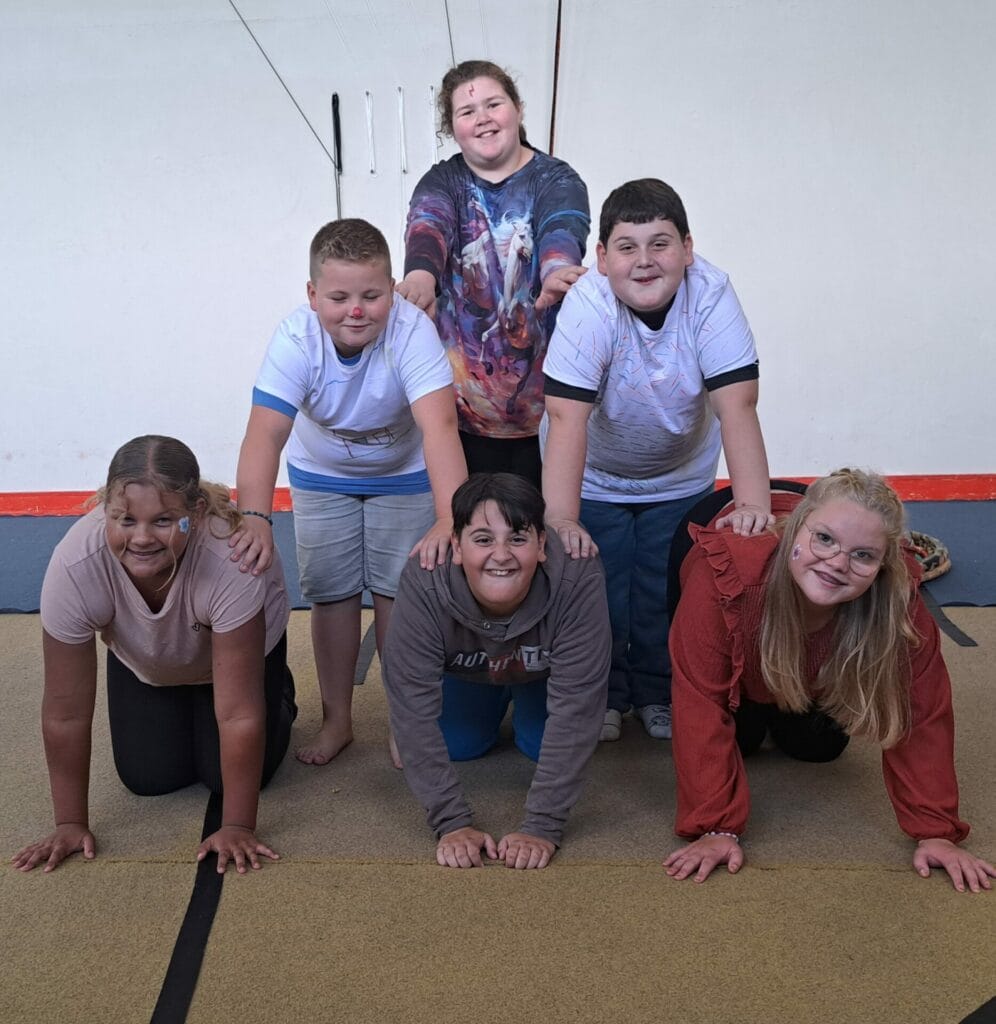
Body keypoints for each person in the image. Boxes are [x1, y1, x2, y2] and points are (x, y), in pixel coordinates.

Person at [664, 470, 995, 893]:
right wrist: (716, 828)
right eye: (824, 539)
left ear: (882, 566)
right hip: (717, 539)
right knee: (737, 737)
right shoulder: (726, 576)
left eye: (862, 556)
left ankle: (785, 693)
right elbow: (698, 701)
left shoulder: (897, 602)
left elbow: (922, 711)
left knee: (818, 748)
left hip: (810, 642)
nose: (837, 562)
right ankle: (756, 697)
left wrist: (936, 832)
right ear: (796, 530)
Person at [542, 178, 773, 745]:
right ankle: (605, 693)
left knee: (661, 591)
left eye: (661, 244)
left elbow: (738, 405)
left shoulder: (712, 295)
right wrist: (563, 518)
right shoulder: (590, 304)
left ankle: (655, 689)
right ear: (601, 258)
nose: (644, 261)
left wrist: (753, 506)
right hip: (593, 477)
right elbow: (567, 420)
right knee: (599, 587)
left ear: (688, 249)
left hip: (679, 476)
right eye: (627, 247)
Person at [231, 218, 467, 767]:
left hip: (403, 474)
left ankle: (402, 722)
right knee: (332, 595)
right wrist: (255, 515)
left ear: (392, 290)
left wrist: (448, 517)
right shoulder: (295, 338)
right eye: (338, 297)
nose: (355, 310)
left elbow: (440, 429)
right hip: (321, 476)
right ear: (313, 295)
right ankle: (338, 719)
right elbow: (265, 432)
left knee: (397, 595)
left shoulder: (412, 332)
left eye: (371, 295)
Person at [12, 435, 296, 876]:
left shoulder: (229, 556)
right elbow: (65, 713)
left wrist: (237, 825)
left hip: (235, 659)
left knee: (229, 779)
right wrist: (69, 823)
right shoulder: (75, 564)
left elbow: (239, 714)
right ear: (105, 509)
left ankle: (279, 693)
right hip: (150, 660)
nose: (142, 538)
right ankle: (181, 702)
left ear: (195, 514)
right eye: (124, 520)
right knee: (148, 779)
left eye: (163, 521)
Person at [381, 473, 611, 869]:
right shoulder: (425, 576)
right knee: (458, 744)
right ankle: (490, 698)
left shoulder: (577, 574)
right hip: (470, 671)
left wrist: (542, 826)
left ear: (542, 544)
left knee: (545, 745)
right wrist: (450, 823)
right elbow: (413, 706)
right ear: (455, 546)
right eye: (483, 539)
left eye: (518, 539)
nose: (501, 554)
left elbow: (577, 709)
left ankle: (520, 699)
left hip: (540, 673)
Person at [397, 60, 590, 488]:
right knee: (476, 537)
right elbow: (428, 225)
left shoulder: (556, 179)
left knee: (542, 537)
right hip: (462, 418)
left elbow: (562, 225)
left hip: (550, 416)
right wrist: (420, 277)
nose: (482, 118)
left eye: (493, 104)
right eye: (467, 112)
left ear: (517, 109)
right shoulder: (441, 181)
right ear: (453, 127)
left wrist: (557, 270)